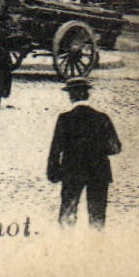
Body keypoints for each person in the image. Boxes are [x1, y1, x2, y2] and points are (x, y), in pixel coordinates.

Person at [46, 76, 122, 230]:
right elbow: (115, 148)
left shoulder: (65, 119)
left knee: (68, 211)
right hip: (99, 171)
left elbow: (56, 148)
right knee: (97, 214)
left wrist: (53, 171)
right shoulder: (102, 118)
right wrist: (97, 149)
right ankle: (96, 242)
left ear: (72, 96)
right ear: (87, 94)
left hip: (72, 170)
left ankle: (65, 241)